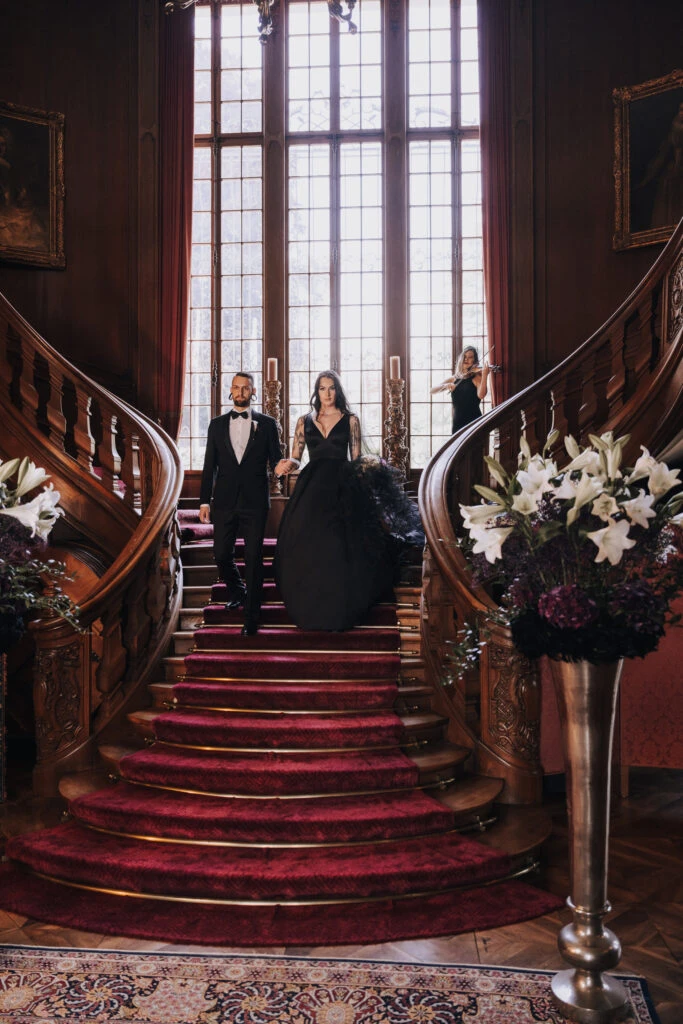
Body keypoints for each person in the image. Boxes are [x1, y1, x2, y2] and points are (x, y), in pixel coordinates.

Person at [274, 370, 422, 631]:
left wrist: (369, 472)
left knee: (340, 545)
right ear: (316, 391)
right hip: (312, 487)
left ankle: (340, 606)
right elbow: (297, 455)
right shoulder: (303, 420)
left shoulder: (350, 420)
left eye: (331, 388)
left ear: (337, 391)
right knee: (307, 545)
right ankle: (310, 604)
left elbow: (355, 457)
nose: (327, 393)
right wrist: (287, 464)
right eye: (322, 388)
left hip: (342, 484)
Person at [199, 372, 282, 636]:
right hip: (223, 500)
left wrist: (289, 464)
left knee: (254, 558)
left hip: (256, 501)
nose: (241, 391)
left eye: (245, 387)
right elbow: (209, 465)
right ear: (230, 391)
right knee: (222, 553)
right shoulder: (216, 425)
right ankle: (237, 590)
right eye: (236, 387)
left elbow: (276, 461)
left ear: (253, 391)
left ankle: (251, 617)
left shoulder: (268, 424)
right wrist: (204, 501)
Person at [431, 346, 490, 433]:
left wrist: (485, 375)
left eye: (470, 357)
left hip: (474, 422)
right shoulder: (453, 379)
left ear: (474, 361)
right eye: (464, 356)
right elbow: (432, 390)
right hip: (457, 423)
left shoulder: (477, 378)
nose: (466, 359)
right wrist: (446, 385)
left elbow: (481, 395)